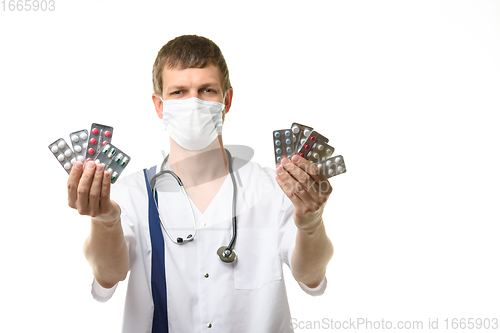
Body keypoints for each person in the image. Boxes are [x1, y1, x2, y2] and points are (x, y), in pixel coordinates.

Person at [67, 35, 334, 333]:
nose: (192, 103)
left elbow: (311, 276)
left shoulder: (274, 189)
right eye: (178, 92)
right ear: (159, 105)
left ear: (227, 100)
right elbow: (108, 275)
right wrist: (105, 221)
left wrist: (310, 223)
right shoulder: (131, 194)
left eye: (206, 90)